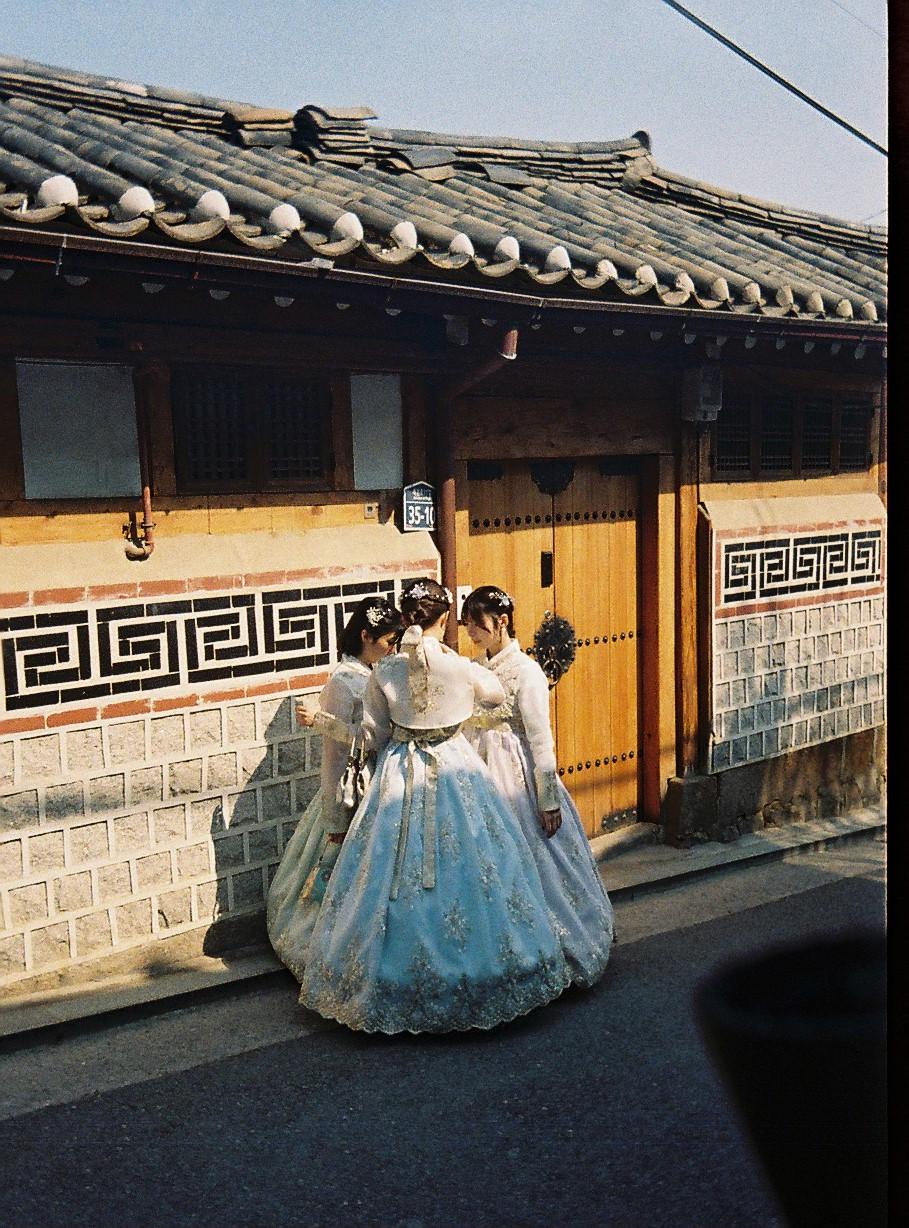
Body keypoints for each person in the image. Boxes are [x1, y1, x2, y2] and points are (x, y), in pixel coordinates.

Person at [297, 578, 573, 1034]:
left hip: (399, 773)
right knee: (476, 867)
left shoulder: (386, 672)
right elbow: (495, 694)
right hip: (455, 767)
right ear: (444, 619)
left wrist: (328, 723)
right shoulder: (460, 667)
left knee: (389, 875)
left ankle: (390, 981)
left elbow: (371, 739)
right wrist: (448, 667)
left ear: (406, 618)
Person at [462, 585, 615, 987]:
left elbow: (540, 739)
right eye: (467, 625)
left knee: (537, 860)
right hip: (477, 766)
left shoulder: (526, 671)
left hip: (515, 771)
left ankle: (562, 944)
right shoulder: (475, 666)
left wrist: (547, 799)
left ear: (502, 622)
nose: (471, 633)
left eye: (477, 624)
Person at [266, 595, 404, 981]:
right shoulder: (344, 682)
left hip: (383, 783)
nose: (393, 649)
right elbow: (335, 757)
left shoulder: (378, 672)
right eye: (388, 641)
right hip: (353, 791)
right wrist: (335, 816)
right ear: (366, 636)